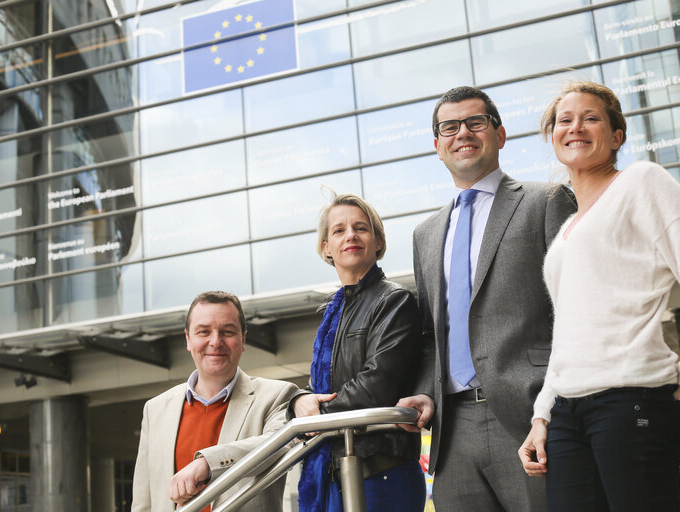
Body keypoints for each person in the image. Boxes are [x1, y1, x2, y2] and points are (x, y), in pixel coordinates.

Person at [518, 81, 680, 511]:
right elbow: (567, 332)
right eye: (565, 120)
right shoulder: (566, 231)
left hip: (630, 399)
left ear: (616, 136)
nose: (575, 127)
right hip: (566, 413)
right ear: (552, 136)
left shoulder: (642, 182)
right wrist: (542, 414)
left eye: (590, 118)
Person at [396, 86, 577, 511]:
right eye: (450, 127)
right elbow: (429, 332)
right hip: (452, 430)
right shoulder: (425, 235)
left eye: (476, 122)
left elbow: (573, 309)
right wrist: (424, 391)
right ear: (437, 146)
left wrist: (555, 408)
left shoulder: (546, 201)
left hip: (531, 416)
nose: (463, 133)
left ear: (499, 134)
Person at [289, 193, 425, 512]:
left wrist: (315, 416)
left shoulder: (395, 302)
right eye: (338, 230)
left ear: (378, 242)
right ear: (326, 247)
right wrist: (299, 402)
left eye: (360, 228)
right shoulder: (333, 312)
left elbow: (376, 386)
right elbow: (321, 387)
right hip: (339, 471)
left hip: (381, 472)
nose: (350, 235)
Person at [132, 291, 298, 512]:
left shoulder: (278, 395)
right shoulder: (155, 410)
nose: (215, 341)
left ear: (243, 340)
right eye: (203, 332)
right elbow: (144, 503)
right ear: (188, 340)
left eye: (227, 332)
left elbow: (278, 443)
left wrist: (207, 463)